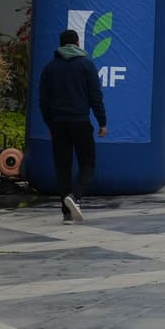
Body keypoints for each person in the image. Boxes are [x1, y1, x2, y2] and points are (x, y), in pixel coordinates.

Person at [39, 29, 107, 224]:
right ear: (77, 43)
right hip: (80, 122)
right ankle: (75, 197)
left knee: (63, 167)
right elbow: (95, 96)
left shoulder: (50, 68)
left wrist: (50, 124)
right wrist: (102, 122)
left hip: (58, 124)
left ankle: (66, 212)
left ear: (60, 45)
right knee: (88, 162)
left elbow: (43, 101)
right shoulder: (86, 65)